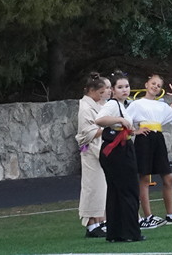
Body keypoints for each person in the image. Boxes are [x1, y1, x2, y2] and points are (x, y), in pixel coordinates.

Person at [127, 72, 172, 229]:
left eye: (159, 86)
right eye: (153, 83)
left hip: (158, 139)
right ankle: (148, 216)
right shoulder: (136, 104)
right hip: (144, 140)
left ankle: (170, 215)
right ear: (146, 84)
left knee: (169, 178)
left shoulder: (162, 105)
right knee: (144, 179)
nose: (155, 87)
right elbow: (125, 122)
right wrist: (135, 131)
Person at [96, 72, 143, 242]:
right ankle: (130, 232)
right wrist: (120, 120)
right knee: (128, 190)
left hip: (122, 148)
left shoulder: (123, 105)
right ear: (113, 90)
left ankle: (116, 233)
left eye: (127, 86)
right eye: (120, 87)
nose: (125, 90)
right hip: (117, 151)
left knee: (117, 192)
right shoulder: (113, 105)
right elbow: (99, 120)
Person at [76, 73, 111, 238]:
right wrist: (108, 127)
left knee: (101, 187)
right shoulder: (85, 108)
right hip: (91, 150)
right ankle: (91, 224)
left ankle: (99, 220)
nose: (102, 95)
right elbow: (87, 132)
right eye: (100, 92)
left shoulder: (96, 105)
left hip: (100, 149)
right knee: (91, 187)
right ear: (91, 91)